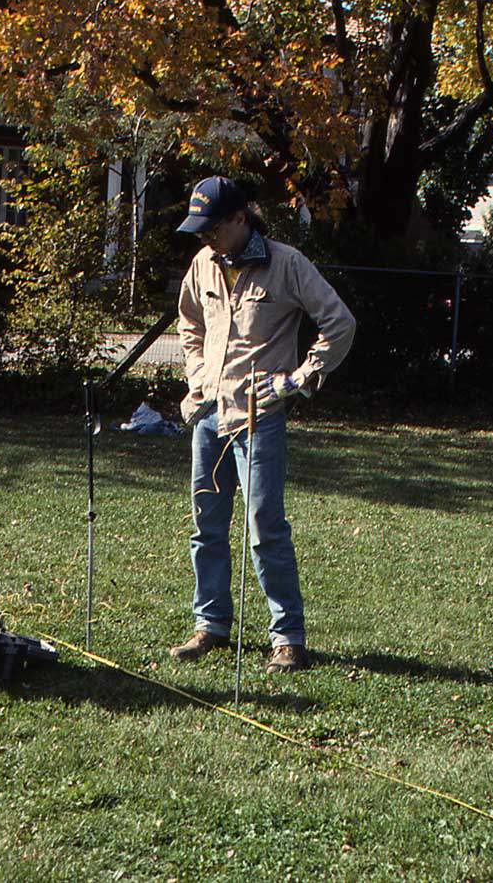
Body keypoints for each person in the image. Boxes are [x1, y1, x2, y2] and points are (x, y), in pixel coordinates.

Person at [169, 176, 356, 673]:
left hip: (260, 419)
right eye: (200, 229)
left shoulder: (287, 263)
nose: (205, 238)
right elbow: (189, 324)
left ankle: (286, 636)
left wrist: (296, 379)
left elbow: (340, 323)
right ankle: (210, 625)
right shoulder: (202, 265)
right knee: (206, 527)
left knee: (264, 527)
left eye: (213, 227)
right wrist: (197, 378)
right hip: (210, 416)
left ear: (239, 218)